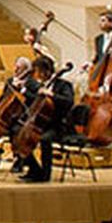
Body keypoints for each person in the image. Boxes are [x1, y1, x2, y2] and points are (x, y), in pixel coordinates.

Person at [19, 55, 74, 183]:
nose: (37, 75)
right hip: (40, 124)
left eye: (39, 72)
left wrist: (52, 95)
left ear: (46, 71)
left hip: (58, 126)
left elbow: (68, 101)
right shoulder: (42, 85)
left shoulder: (64, 85)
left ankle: (45, 174)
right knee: (17, 134)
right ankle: (34, 170)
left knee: (44, 139)